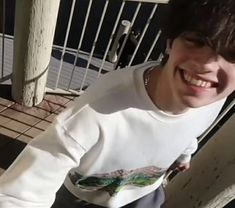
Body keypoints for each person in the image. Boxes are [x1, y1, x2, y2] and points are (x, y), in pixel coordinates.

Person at [0, 0, 235, 207]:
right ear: (170, 42)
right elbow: (23, 194)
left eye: (232, 53)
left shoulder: (214, 99)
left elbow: (189, 129)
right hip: (81, 198)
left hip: (144, 193)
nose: (208, 65)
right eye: (196, 41)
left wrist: (185, 154)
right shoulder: (95, 112)